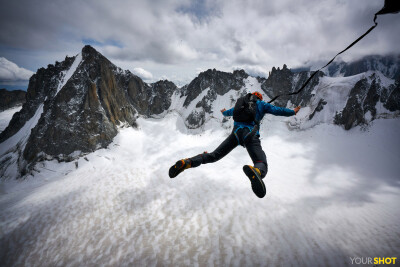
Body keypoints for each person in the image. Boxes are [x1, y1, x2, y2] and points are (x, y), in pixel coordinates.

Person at [169, 91, 300, 198]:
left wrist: (224, 112)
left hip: (235, 135)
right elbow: (278, 110)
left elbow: (229, 112)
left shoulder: (240, 104)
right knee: (261, 161)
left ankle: (188, 162)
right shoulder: (262, 104)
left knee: (213, 156)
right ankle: (257, 171)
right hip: (250, 135)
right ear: (259, 98)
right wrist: (293, 111)